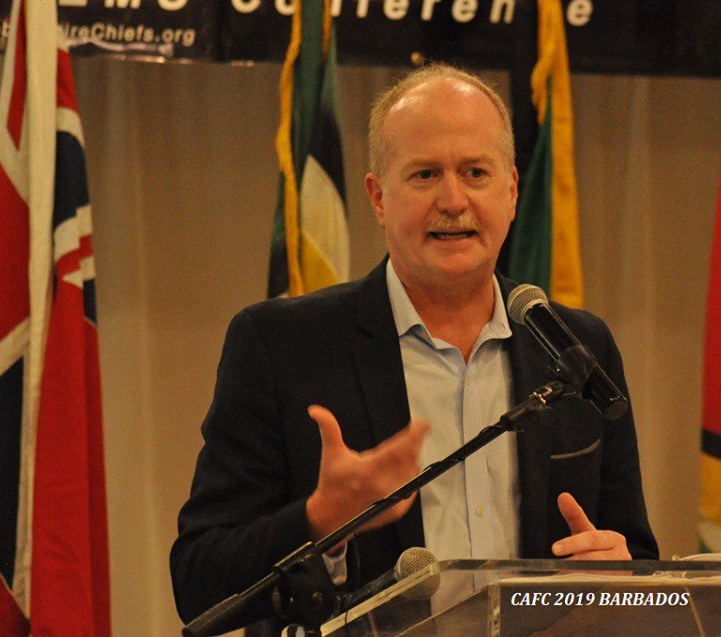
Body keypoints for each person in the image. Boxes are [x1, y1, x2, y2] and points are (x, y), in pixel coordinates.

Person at [170, 64, 658, 630]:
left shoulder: (575, 347)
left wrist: (624, 584)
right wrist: (318, 521)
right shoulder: (282, 347)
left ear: (512, 190)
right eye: (425, 175)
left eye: (476, 172)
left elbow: (641, 567)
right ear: (378, 198)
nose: (454, 200)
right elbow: (199, 582)